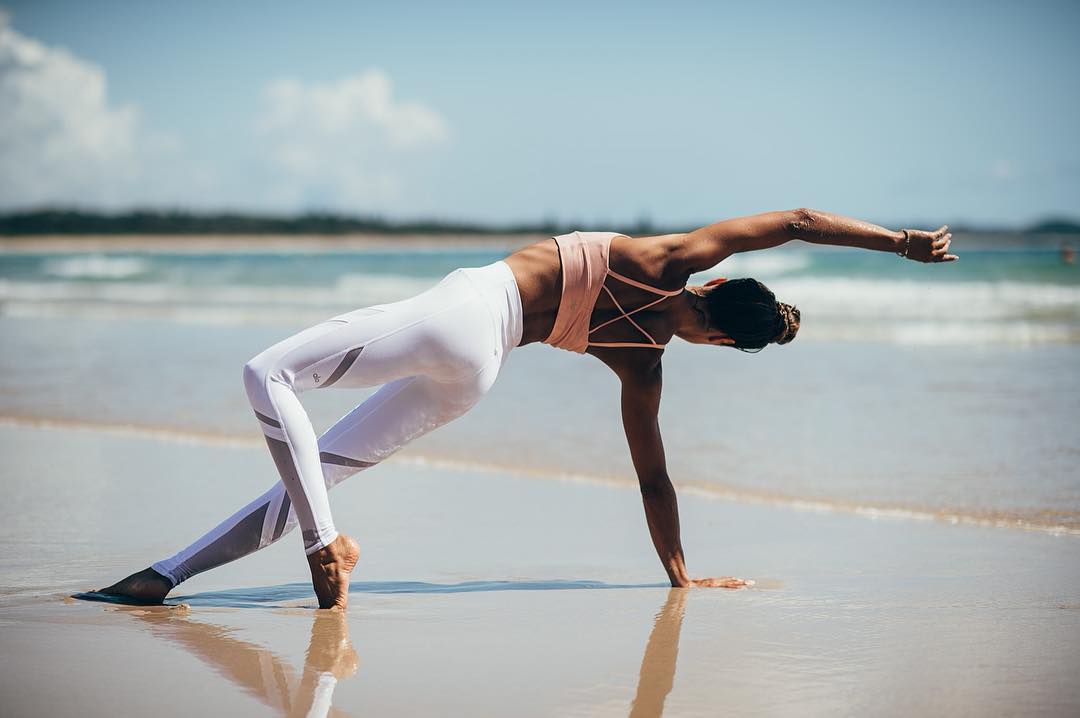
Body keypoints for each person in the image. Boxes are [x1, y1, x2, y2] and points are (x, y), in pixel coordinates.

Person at [94, 209, 956, 609]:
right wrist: (682, 577)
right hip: (477, 376)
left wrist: (901, 242)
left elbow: (797, 220)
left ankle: (324, 546)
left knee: (266, 374)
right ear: (723, 343)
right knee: (311, 475)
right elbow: (654, 480)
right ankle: (162, 577)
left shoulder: (671, 256)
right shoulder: (643, 366)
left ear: (718, 284)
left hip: (469, 313)